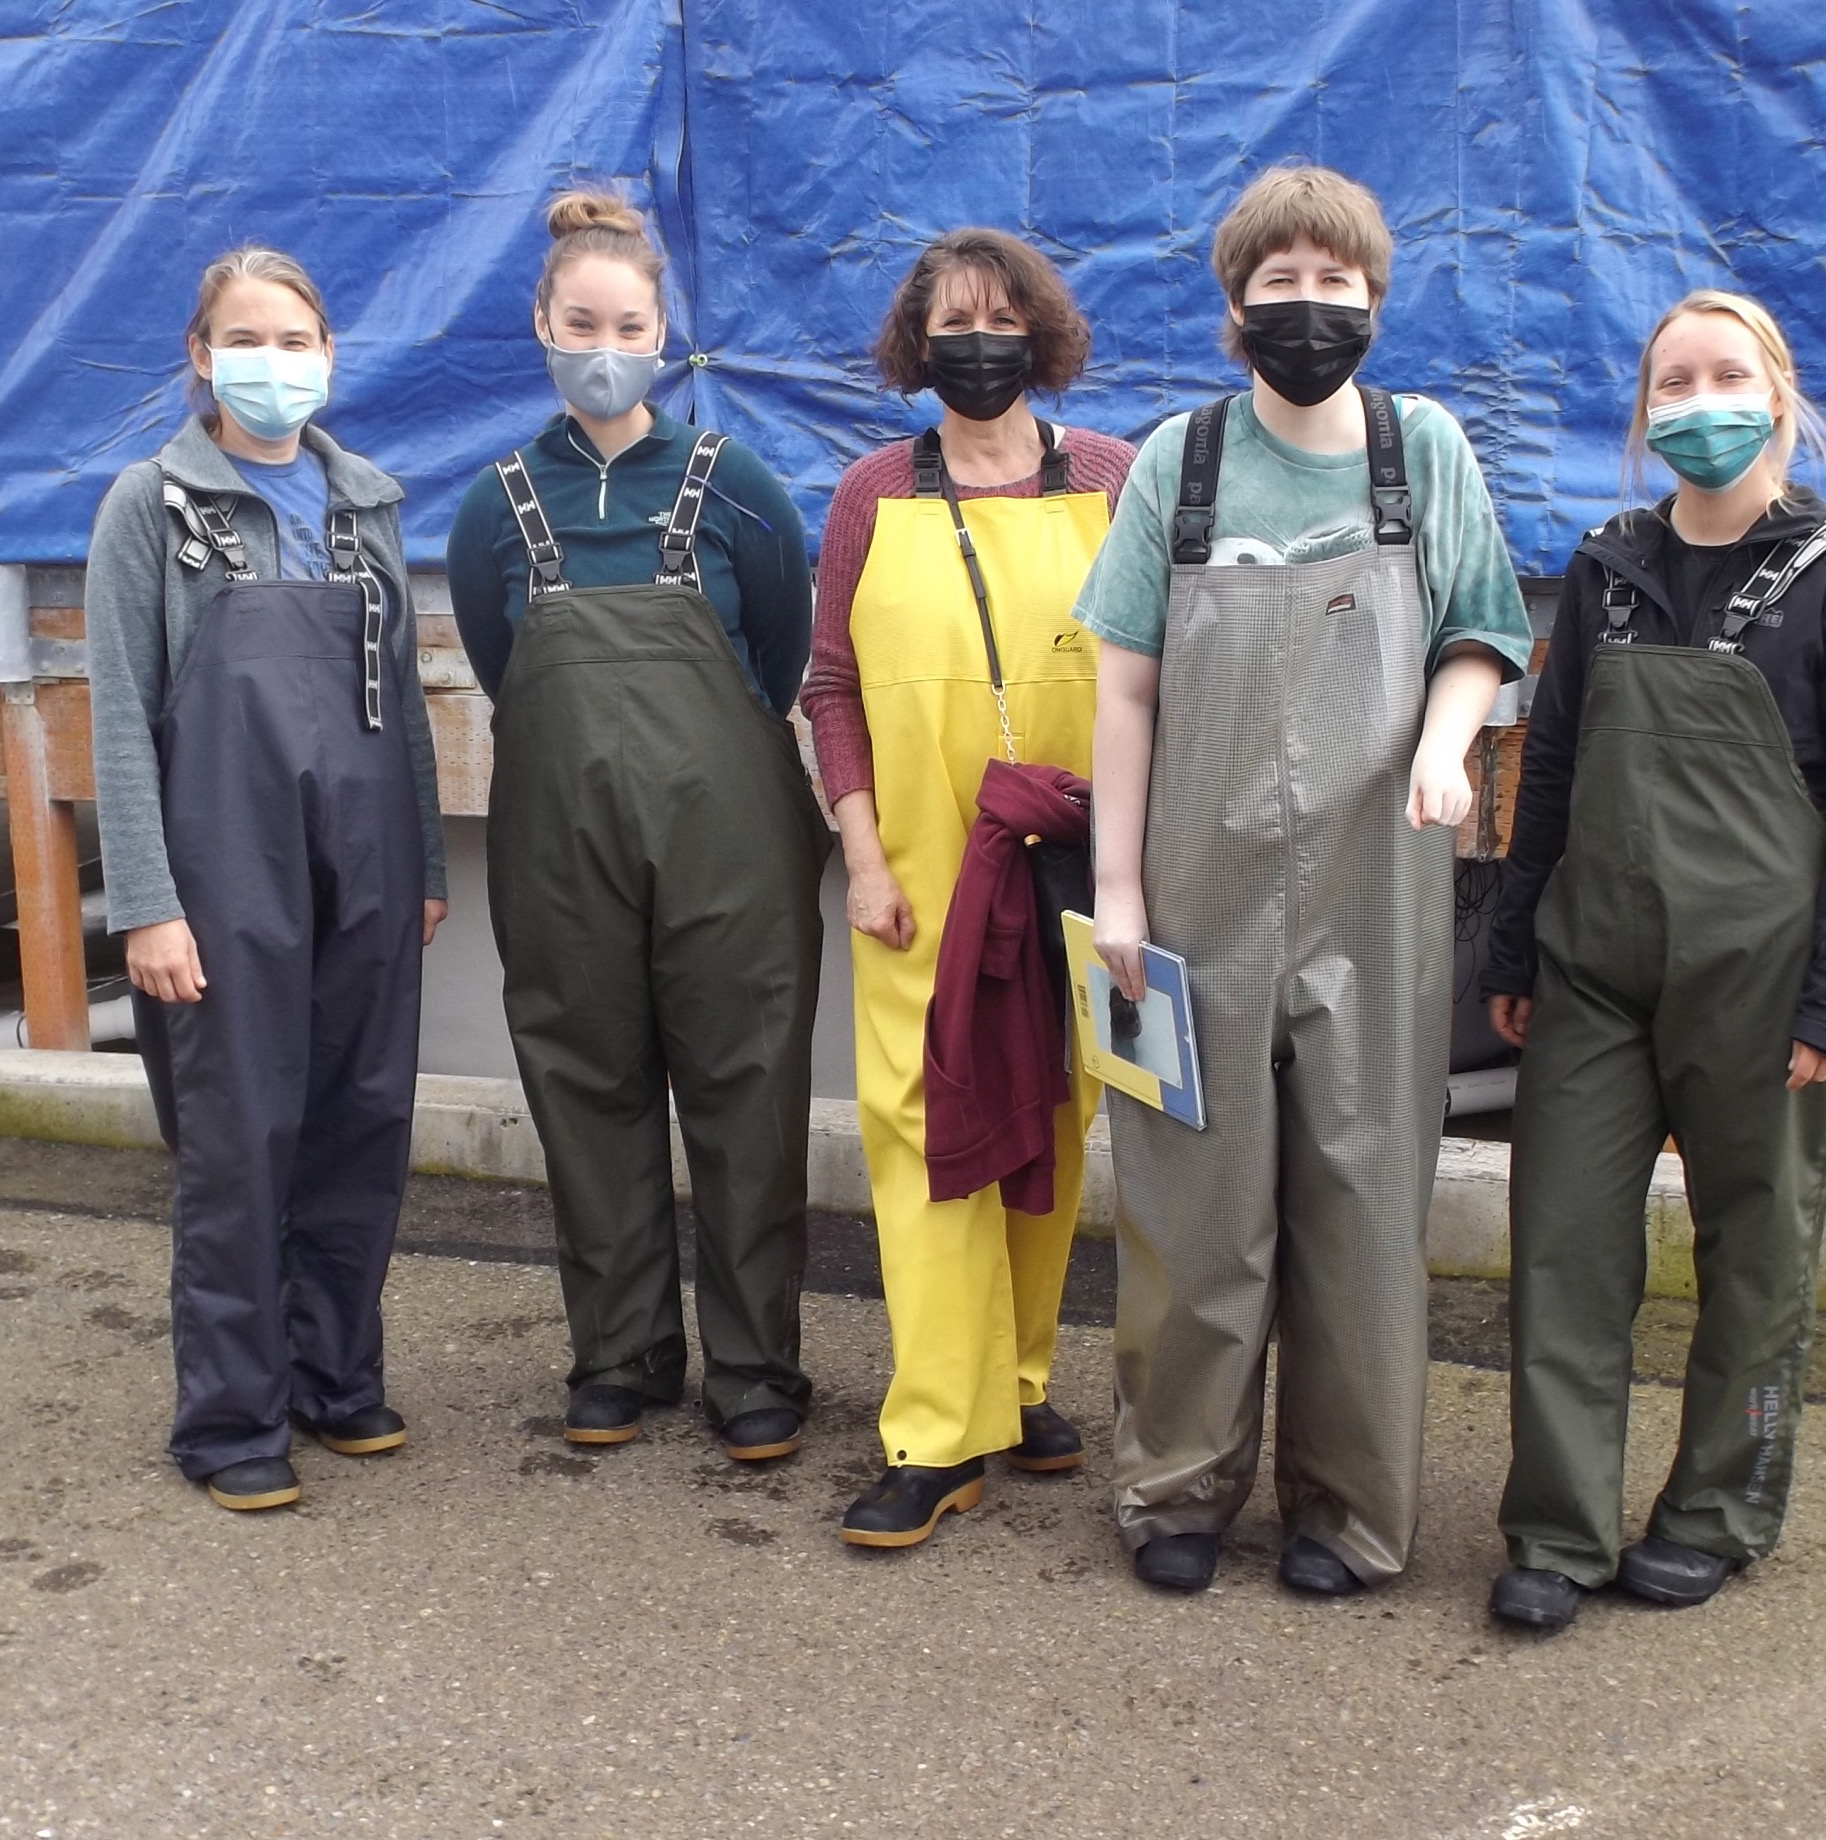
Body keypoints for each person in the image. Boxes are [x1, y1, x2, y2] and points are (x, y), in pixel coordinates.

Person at [1075, 165, 1528, 1596]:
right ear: (1234, 305)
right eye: (1282, 283)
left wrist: (1451, 747)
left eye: (1337, 285)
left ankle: (1345, 1512)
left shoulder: (1424, 454)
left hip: (1375, 889)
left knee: (1364, 1197)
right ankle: (1177, 1491)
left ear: (1375, 303)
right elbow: (1126, 694)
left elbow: (1480, 634)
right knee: (1192, 1207)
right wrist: (1124, 898)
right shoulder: (1179, 465)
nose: (1309, 308)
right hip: (1194, 898)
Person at [1477, 289, 1826, 1634]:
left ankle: (1717, 1509)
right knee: (1563, 1248)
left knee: (1758, 1258)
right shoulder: (1610, 564)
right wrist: (1513, 939)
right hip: (1595, 973)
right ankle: (1556, 1526)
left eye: (1724, 375)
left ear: (1777, 396)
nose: (1696, 403)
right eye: (1671, 384)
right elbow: (1548, 765)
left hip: (1768, 981)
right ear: (1644, 414)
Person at [445, 191, 825, 1463]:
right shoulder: (497, 505)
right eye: (579, 322)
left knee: (746, 1088)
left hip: (731, 844)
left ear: (666, 334)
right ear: (541, 326)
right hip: (563, 846)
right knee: (585, 1079)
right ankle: (619, 1354)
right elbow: (504, 667)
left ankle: (758, 1367)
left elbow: (779, 656)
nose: (603, 343)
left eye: (630, 323)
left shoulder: (737, 485)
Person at [85, 245, 450, 1513]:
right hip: (217, 866)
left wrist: (425, 859)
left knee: (362, 1117)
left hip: (369, 858)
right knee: (240, 1136)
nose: (274, 366)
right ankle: (232, 1417)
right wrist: (144, 899)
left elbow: (399, 694)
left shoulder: (368, 505)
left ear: (329, 356)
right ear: (200, 356)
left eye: (296, 343)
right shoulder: (153, 505)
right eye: (248, 341)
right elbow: (118, 717)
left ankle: (336, 1376)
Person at [800, 229, 1140, 1549]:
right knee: (927, 1133)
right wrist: (865, 856)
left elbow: (1154, 669)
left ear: (1042, 330)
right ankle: (937, 1433)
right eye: (956, 318)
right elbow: (830, 686)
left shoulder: (1112, 477)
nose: (981, 336)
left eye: (1005, 315)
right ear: (915, 340)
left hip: (1073, 865)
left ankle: (1015, 1384)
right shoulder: (869, 493)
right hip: (925, 880)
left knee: (1053, 1124)